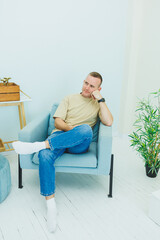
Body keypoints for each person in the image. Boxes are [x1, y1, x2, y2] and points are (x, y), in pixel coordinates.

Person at [12, 72, 113, 233]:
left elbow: (108, 121)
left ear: (98, 89)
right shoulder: (69, 98)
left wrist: (100, 99)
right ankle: (50, 205)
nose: (87, 87)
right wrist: (70, 132)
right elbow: (58, 121)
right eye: (85, 83)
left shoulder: (98, 104)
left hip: (80, 143)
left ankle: (38, 145)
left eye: (92, 86)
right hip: (60, 136)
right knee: (44, 155)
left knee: (86, 129)